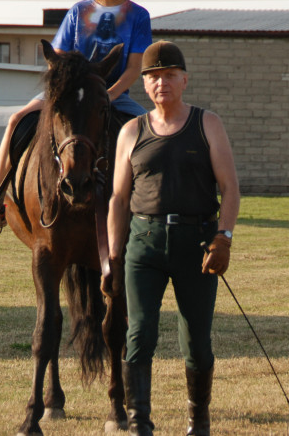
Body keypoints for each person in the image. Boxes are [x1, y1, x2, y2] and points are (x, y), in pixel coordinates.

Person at [0, 0, 152, 237]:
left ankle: (150, 210)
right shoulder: (79, 11)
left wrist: (108, 96)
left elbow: (133, 68)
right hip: (66, 94)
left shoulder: (138, 16)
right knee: (16, 121)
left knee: (151, 133)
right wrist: (59, 94)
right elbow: (58, 56)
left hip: (112, 95)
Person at [102, 41, 240, 436]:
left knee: (196, 338)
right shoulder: (131, 131)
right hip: (143, 242)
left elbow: (230, 188)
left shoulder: (207, 124)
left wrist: (223, 237)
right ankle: (140, 423)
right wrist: (112, 256)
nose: (161, 83)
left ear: (184, 79)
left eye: (168, 75)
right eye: (153, 76)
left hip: (197, 244)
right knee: (139, 332)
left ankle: (198, 419)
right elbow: (118, 198)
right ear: (144, 84)